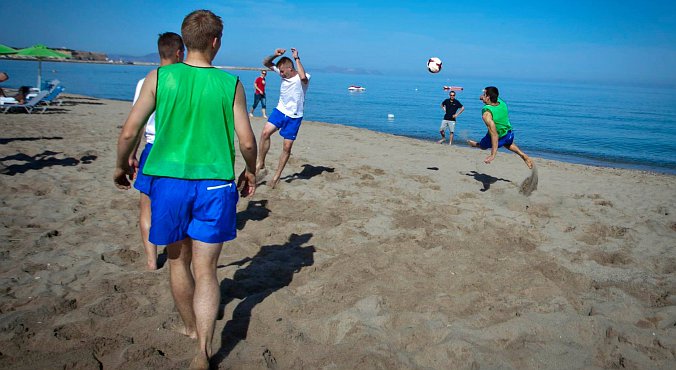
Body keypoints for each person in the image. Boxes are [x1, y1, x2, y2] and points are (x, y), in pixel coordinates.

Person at [113, 10, 257, 370]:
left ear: (184, 40)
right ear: (215, 42)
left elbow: (130, 131)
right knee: (207, 269)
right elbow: (247, 141)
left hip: (169, 183)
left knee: (177, 260)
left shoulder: (160, 77)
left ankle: (191, 329)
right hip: (215, 184)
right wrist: (251, 170)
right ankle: (203, 352)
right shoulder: (231, 84)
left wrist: (121, 163)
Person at [130, 32, 184, 270]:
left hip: (151, 149)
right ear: (180, 53)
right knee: (178, 207)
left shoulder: (146, 82)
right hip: (178, 151)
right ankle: (177, 258)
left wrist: (130, 155)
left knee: (147, 208)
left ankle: (152, 261)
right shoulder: (183, 82)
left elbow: (136, 125)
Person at [256, 47, 310, 188]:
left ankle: (276, 177)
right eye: (279, 71)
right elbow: (266, 62)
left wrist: (296, 57)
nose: (280, 74)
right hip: (280, 111)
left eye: (282, 71)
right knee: (265, 133)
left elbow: (303, 77)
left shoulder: (303, 77)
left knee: (286, 147)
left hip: (294, 116)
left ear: (290, 69)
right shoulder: (282, 74)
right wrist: (275, 54)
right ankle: (260, 162)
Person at [467, 86, 533, 169]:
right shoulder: (501, 102)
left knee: (482, 146)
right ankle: (523, 155)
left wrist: (492, 155)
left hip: (496, 138)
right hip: (509, 133)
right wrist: (483, 97)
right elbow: (493, 95)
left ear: (488, 97)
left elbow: (494, 134)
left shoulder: (487, 114)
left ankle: (475, 144)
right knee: (508, 144)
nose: (482, 96)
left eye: (484, 95)